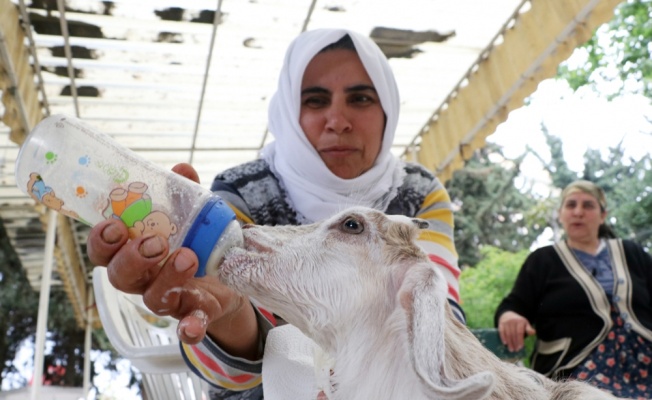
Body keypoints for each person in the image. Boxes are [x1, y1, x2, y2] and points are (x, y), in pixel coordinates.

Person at [87, 28, 463, 399]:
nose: (338, 120)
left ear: (388, 109)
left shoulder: (418, 193)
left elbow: (439, 322)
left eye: (361, 98)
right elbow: (233, 372)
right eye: (315, 101)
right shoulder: (240, 193)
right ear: (286, 110)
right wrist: (227, 313)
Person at [495, 179, 652, 400]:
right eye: (571, 205)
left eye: (588, 205)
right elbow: (514, 305)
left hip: (645, 361)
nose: (578, 212)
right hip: (577, 370)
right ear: (561, 214)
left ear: (602, 215)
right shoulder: (543, 260)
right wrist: (510, 316)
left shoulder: (632, 253)